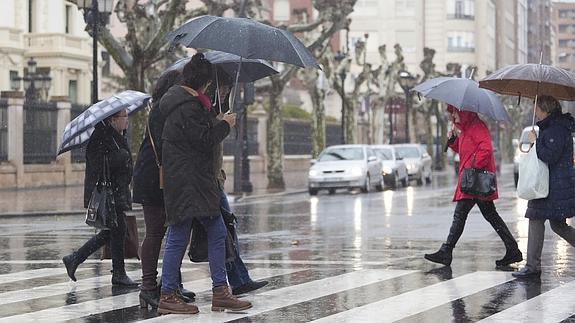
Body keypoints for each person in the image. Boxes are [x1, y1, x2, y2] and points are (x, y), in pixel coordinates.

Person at [158, 53, 251, 315]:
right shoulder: (187, 106)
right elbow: (202, 140)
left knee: (214, 231)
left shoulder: (186, 104)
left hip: (191, 180)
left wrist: (216, 120)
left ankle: (219, 291)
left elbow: (196, 135)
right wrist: (224, 125)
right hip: (190, 181)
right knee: (179, 235)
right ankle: (169, 294)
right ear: (205, 82)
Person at [424, 105, 522, 267]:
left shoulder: (477, 127)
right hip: (472, 180)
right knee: (488, 216)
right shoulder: (467, 129)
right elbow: (464, 152)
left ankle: (446, 251)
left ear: (464, 112)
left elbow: (486, 150)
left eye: (454, 111)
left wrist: (472, 166)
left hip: (475, 180)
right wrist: (453, 140)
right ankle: (512, 249)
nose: (453, 115)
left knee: (462, 215)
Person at [133, 70, 196, 309]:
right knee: (155, 232)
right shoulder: (163, 109)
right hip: (153, 177)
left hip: (160, 176)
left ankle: (170, 283)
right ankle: (148, 287)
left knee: (174, 231)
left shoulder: (164, 107)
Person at [206, 69, 269, 295]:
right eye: (222, 88)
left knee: (226, 230)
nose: (225, 93)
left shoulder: (216, 110)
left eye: (227, 89)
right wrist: (222, 124)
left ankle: (239, 279)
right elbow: (204, 141)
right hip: (205, 181)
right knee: (184, 235)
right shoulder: (205, 111)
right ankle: (171, 285)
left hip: (215, 178)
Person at [62, 110, 138, 287]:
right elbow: (99, 163)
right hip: (109, 192)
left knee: (115, 230)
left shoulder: (116, 136)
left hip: (118, 190)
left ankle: (77, 259)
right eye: (124, 117)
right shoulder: (101, 136)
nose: (127, 120)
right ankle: (115, 272)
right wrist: (121, 157)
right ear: (112, 120)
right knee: (116, 229)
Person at [513, 95, 575, 279]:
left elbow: (549, 156)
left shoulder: (556, 129)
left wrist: (536, 140)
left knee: (538, 219)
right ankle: (532, 265)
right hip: (552, 184)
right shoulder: (554, 127)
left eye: (536, 109)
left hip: (552, 186)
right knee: (557, 225)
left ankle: (532, 266)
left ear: (544, 109)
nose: (534, 112)